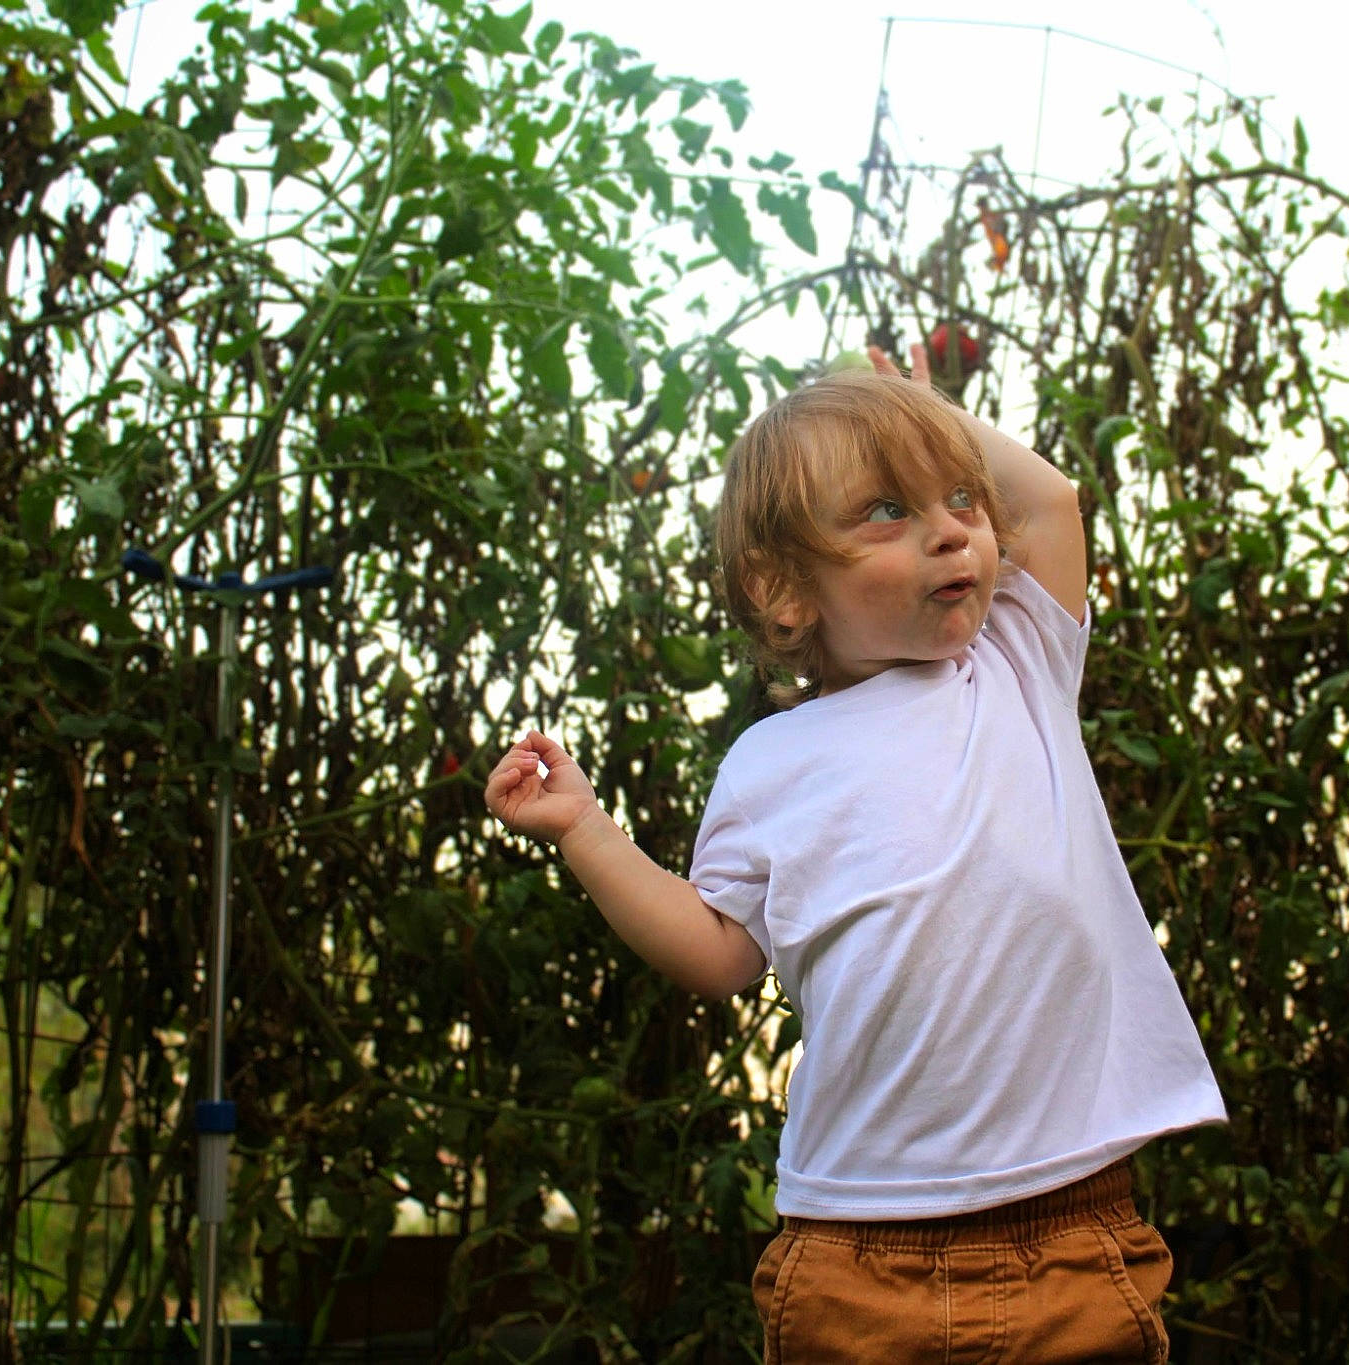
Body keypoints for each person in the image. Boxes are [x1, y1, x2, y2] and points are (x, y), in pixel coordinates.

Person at [485, 345, 1226, 1363]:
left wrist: (915, 411)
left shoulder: (1016, 661)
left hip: (1070, 1234)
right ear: (783, 589)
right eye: (888, 511)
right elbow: (716, 952)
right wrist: (584, 829)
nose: (950, 530)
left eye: (961, 497)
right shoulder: (769, 763)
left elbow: (1048, 501)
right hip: (856, 1254)